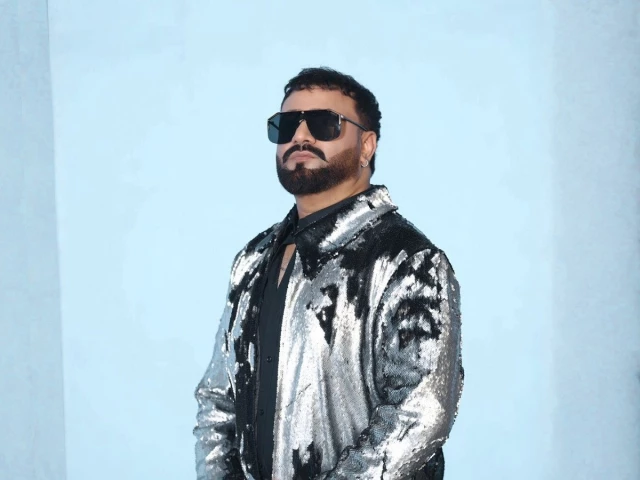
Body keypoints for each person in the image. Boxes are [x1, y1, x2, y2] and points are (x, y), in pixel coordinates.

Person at [193, 67, 463, 480]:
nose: (300, 136)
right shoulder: (252, 260)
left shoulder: (409, 260)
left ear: (366, 145)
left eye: (323, 124)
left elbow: (421, 411)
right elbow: (218, 400)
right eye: (286, 125)